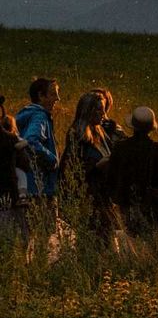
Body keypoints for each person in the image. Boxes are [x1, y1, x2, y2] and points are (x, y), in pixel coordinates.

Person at [106, 107, 158, 235]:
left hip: (126, 205)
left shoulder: (121, 148)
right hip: (151, 208)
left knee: (129, 241)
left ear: (133, 126)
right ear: (151, 128)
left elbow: (111, 178)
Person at [60, 91, 115, 238]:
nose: (103, 113)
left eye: (103, 108)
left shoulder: (100, 131)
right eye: (98, 109)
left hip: (102, 197)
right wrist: (96, 166)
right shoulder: (77, 134)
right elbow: (70, 169)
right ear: (88, 111)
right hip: (88, 198)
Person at [16, 77, 60, 199]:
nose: (58, 99)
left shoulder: (24, 115)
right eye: (53, 94)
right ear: (41, 96)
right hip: (40, 188)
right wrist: (53, 160)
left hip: (25, 185)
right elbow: (31, 141)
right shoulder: (40, 116)